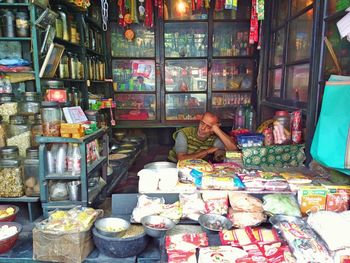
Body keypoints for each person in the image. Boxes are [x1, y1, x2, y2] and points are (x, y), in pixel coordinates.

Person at [168, 112, 237, 162]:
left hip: (196, 168)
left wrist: (217, 130)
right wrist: (207, 151)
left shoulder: (214, 138)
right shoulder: (185, 133)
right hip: (174, 166)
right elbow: (181, 159)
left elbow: (233, 149)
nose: (202, 128)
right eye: (202, 123)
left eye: (208, 126)